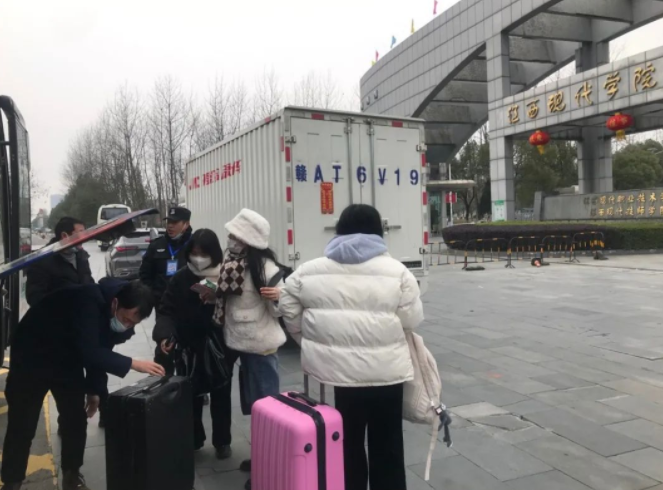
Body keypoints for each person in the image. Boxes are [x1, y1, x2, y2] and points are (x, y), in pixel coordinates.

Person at [279, 204, 424, 490]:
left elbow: (287, 303)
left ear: (340, 230)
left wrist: (306, 339)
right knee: (388, 447)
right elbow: (412, 320)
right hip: (388, 375)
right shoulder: (398, 272)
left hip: (342, 376)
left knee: (347, 443)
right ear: (378, 232)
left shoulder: (310, 270)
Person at [0, 279, 165, 490]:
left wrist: (94, 391)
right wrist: (134, 363)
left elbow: (101, 349)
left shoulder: (114, 317)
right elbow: (91, 352)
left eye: (133, 323)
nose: (127, 326)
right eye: (126, 319)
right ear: (115, 303)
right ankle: (12, 482)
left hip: (67, 359)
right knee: (23, 423)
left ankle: (72, 475)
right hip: (32, 357)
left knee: (75, 419)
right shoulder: (87, 301)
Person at [214, 209, 285, 487]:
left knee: (268, 410)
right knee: (255, 408)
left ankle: (270, 471)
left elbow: (281, 310)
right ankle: (261, 458)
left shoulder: (266, 268)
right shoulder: (234, 263)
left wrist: (279, 296)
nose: (230, 239)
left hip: (261, 349)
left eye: (234, 235)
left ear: (247, 239)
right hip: (243, 346)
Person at [152, 229, 231, 458]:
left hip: (218, 346)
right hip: (188, 346)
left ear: (214, 253)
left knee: (221, 392)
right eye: (194, 253)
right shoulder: (181, 278)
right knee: (190, 394)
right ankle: (194, 439)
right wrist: (165, 335)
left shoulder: (226, 276)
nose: (198, 258)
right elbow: (166, 310)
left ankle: (222, 441)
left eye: (204, 253)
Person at [140, 206, 193, 374]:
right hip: (164, 308)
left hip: (189, 308)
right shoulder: (157, 246)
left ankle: (188, 383)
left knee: (189, 351)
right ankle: (163, 382)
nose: (170, 225)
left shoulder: (194, 246)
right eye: (168, 221)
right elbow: (145, 275)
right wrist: (153, 297)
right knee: (164, 349)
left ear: (186, 224)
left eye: (175, 222)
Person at [26, 216, 94, 306]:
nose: (84, 238)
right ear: (65, 236)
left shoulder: (81, 256)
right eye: (80, 233)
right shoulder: (41, 261)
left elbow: (89, 281)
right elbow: (35, 298)